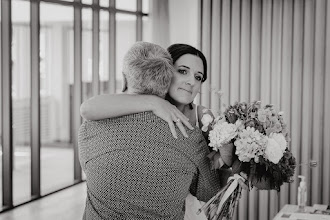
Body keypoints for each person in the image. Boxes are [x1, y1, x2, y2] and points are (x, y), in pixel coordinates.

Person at [80, 43, 232, 220]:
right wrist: (153, 102)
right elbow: (210, 188)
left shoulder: (90, 129)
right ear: (166, 75)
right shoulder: (190, 138)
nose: (191, 81)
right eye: (182, 71)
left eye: (198, 77)